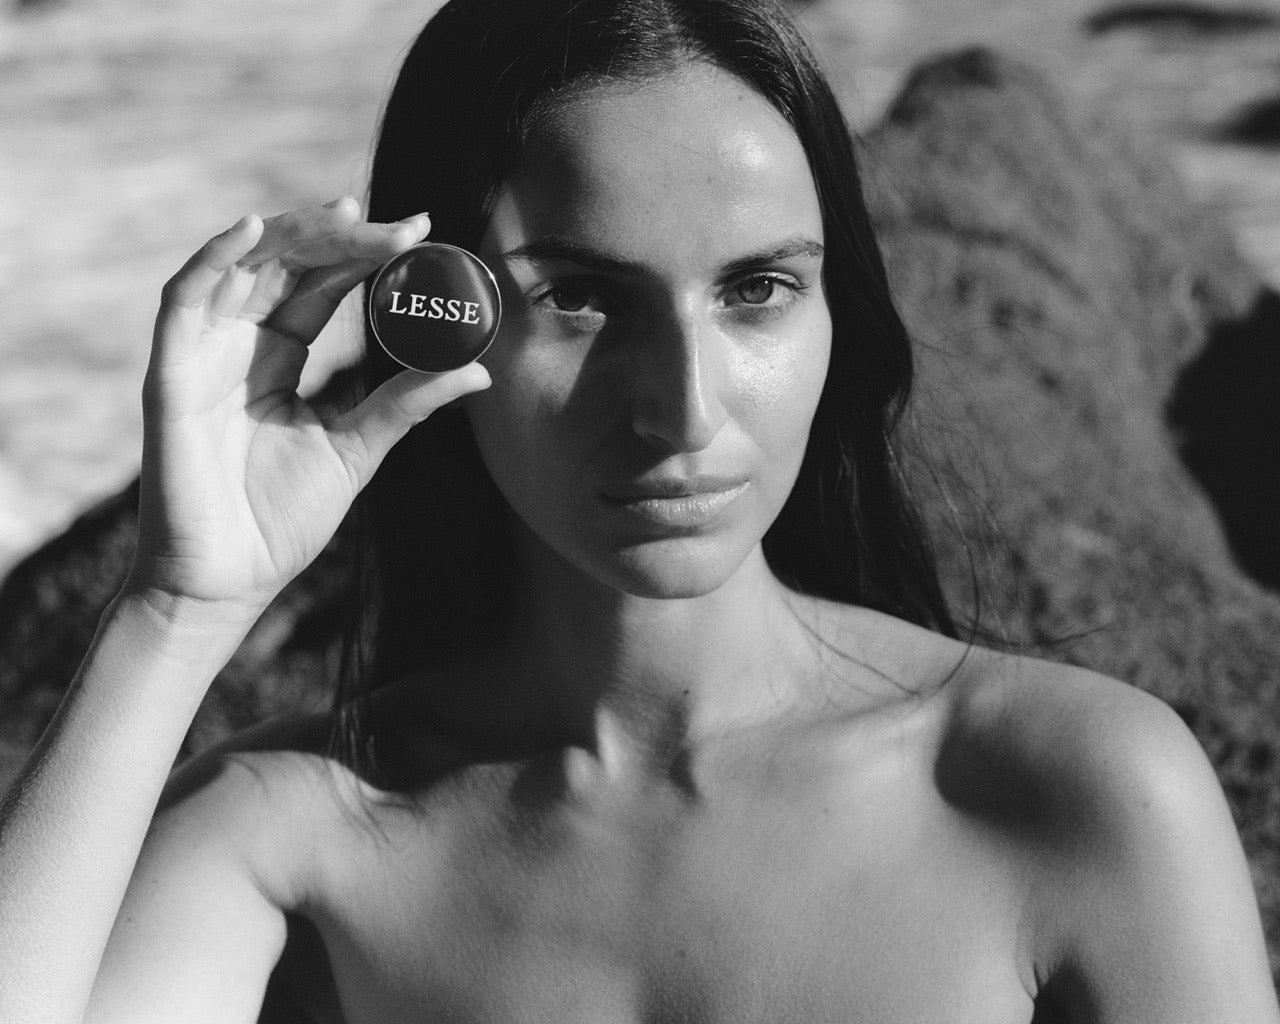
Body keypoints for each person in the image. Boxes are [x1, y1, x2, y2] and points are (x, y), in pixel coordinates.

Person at [1, 0, 1277, 1020]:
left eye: (757, 289)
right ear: (438, 322)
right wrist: (178, 608)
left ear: (842, 312)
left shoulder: (1066, 788)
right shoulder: (300, 837)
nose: (678, 410)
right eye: (578, 298)